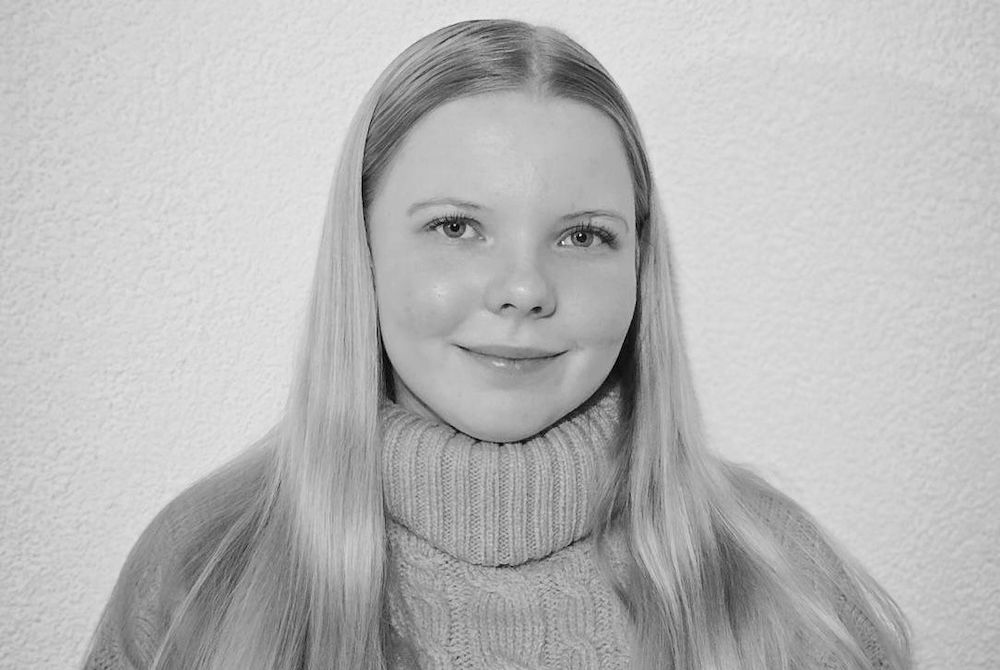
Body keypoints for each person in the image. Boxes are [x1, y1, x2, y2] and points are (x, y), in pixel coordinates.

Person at [83, 19, 911, 670]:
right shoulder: (205, 569)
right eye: (457, 227)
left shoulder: (783, 584)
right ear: (361, 251)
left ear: (639, 265)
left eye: (582, 236)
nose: (524, 287)